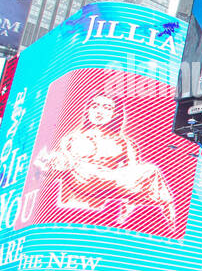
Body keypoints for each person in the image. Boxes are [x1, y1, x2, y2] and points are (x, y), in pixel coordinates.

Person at [33, 94, 176, 229]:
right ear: (88, 109)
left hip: (105, 199)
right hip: (74, 198)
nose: (99, 112)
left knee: (150, 171)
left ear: (116, 114)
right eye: (95, 106)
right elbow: (51, 171)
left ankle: (171, 221)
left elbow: (132, 179)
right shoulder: (71, 138)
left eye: (107, 108)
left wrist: (124, 216)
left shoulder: (125, 143)